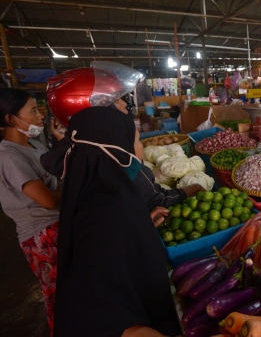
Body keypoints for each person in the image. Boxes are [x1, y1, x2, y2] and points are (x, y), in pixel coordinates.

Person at [54, 107, 181, 337]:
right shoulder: (104, 213)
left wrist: (139, 229)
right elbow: (103, 319)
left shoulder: (96, 196)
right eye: (137, 141)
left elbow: (113, 255)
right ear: (117, 151)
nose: (141, 149)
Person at [41, 65, 205, 212]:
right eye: (114, 100)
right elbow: (155, 199)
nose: (124, 104)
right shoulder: (116, 162)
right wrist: (192, 189)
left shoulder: (76, 155)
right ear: (94, 112)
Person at [0, 88, 62, 336]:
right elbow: (47, 200)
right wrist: (76, 187)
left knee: (76, 291)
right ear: (11, 119)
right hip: (41, 236)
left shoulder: (33, 144)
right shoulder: (9, 157)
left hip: (57, 225)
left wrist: (60, 139)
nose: (40, 115)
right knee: (60, 298)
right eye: (33, 110)